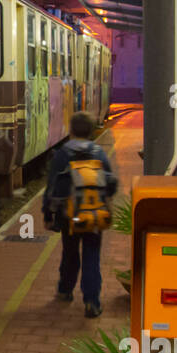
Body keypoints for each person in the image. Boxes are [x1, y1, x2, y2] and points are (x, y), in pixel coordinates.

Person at [44, 111, 118, 318]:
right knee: (92, 255)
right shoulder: (99, 152)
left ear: (71, 129)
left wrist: (47, 214)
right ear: (92, 131)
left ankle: (65, 290)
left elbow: (51, 188)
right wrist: (105, 200)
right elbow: (111, 181)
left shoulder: (62, 154)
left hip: (70, 216)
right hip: (94, 214)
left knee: (70, 253)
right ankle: (92, 301)